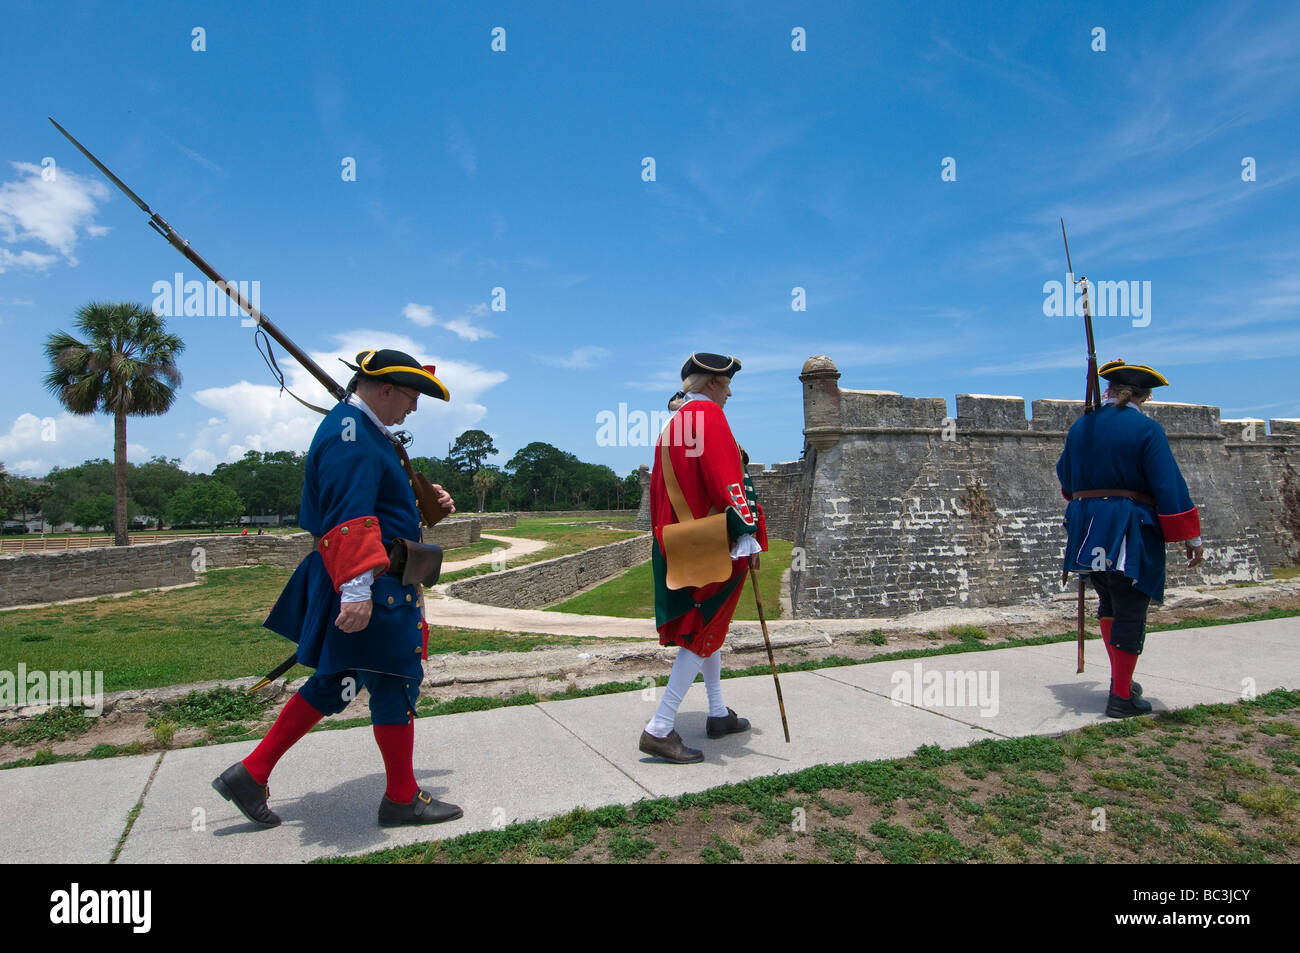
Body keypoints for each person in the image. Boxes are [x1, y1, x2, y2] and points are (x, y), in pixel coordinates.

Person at [213, 349, 460, 827]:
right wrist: (356, 591)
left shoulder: (362, 429)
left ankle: (251, 772)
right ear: (385, 389)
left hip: (372, 580)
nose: (413, 409)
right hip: (374, 586)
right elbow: (350, 517)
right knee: (394, 681)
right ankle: (401, 798)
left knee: (336, 682)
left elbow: (378, 505)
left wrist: (427, 503)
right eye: (411, 397)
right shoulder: (353, 437)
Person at [1056, 360, 1205, 718]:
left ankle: (1118, 682)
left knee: (1109, 601)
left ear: (1109, 391)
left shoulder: (1081, 427)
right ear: (1145, 395)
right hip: (1127, 527)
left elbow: (1066, 477)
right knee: (1131, 609)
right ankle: (1121, 697)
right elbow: (1166, 482)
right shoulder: (1146, 429)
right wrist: (1190, 533)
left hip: (1088, 528)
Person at [640, 353, 768, 763]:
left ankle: (717, 713)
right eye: (727, 384)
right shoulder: (708, 417)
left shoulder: (673, 426)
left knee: (709, 624)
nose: (729, 392)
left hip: (681, 541)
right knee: (702, 629)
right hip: (714, 542)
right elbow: (725, 476)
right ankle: (659, 727)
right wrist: (747, 531)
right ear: (712, 382)